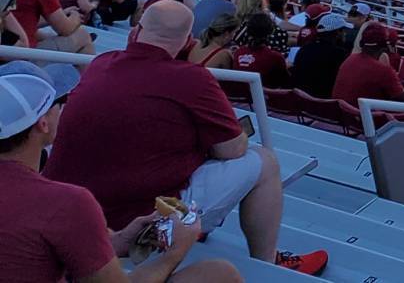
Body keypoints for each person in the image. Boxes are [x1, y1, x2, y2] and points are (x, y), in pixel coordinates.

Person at [41, 0, 323, 274]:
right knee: (265, 160)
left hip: (69, 211)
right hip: (134, 218)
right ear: (188, 40)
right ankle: (267, 264)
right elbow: (233, 150)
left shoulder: (102, 63)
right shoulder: (192, 79)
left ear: (135, 31)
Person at [0, 71, 246, 283]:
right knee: (220, 274)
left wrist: (120, 240)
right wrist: (176, 251)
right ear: (43, 124)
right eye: (59, 102)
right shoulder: (64, 203)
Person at [331, 25, 404, 106]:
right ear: (384, 46)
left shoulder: (350, 59)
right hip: (361, 116)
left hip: (340, 113)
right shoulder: (383, 70)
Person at [286, 14, 351, 99]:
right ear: (338, 32)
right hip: (319, 103)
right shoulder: (339, 54)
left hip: (298, 99)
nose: (345, 33)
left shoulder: (305, 48)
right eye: (343, 30)